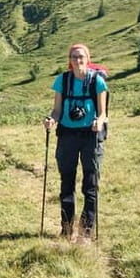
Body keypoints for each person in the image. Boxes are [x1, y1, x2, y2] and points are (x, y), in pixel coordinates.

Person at [42, 44, 108, 242]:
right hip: (67, 135)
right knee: (66, 183)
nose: (77, 60)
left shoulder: (97, 81)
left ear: (88, 59)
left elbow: (103, 112)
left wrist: (99, 121)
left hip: (91, 135)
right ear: (69, 60)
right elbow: (57, 110)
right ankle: (67, 229)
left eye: (81, 57)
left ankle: (86, 232)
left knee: (90, 184)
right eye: (73, 57)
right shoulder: (62, 80)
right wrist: (51, 120)